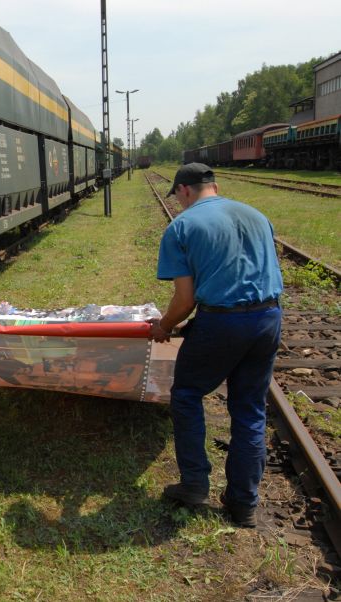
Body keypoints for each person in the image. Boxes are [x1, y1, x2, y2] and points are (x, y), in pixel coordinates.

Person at [149, 163, 283, 527]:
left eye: (177, 197)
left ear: (185, 191)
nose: (178, 204)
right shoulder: (258, 216)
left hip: (222, 322)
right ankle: (243, 504)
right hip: (268, 319)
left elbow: (184, 300)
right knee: (250, 408)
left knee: (188, 394)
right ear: (216, 186)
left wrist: (163, 326)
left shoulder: (183, 226)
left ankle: (194, 484)